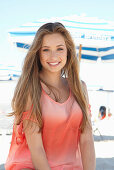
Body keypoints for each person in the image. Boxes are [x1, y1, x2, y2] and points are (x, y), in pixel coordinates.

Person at [5, 22, 96, 170]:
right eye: (46, 50)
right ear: (38, 53)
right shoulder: (31, 88)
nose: (53, 56)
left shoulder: (81, 88)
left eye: (59, 49)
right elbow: (37, 149)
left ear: (68, 51)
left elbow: (86, 139)